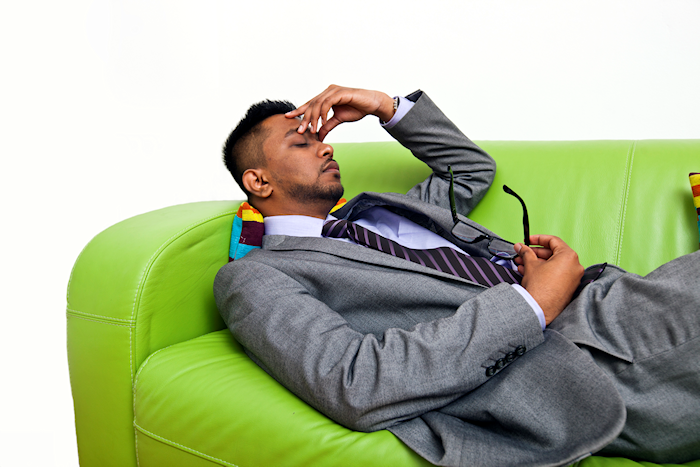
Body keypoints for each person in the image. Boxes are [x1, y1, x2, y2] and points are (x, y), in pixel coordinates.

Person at [214, 85, 700, 467]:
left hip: (605, 300)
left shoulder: (377, 215)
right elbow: (354, 382)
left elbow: (469, 169)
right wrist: (534, 304)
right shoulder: (257, 275)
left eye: (320, 138)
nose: (325, 149)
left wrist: (384, 106)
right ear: (258, 181)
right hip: (570, 358)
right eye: (302, 142)